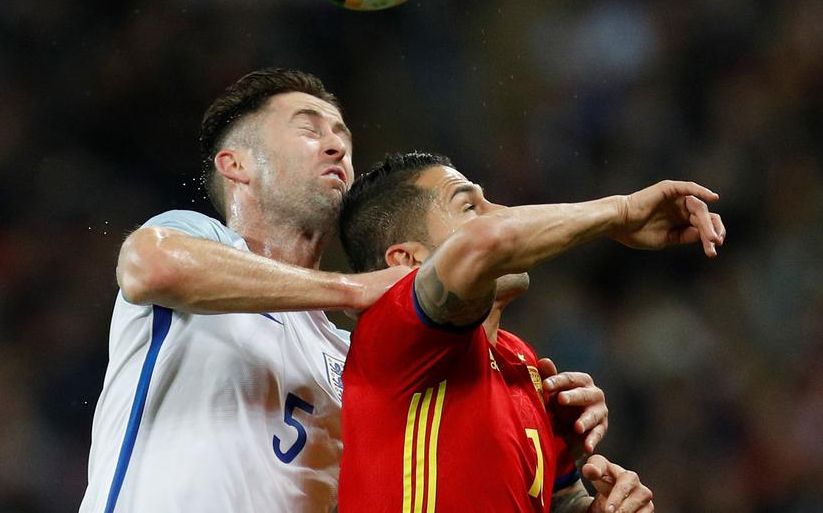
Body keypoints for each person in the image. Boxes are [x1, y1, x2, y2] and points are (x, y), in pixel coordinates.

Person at [80, 69, 408, 512]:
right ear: (236, 165)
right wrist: (350, 288)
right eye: (309, 130)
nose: (338, 147)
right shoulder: (198, 239)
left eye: (342, 135)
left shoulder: (348, 353)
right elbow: (149, 266)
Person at [336, 152, 727, 513]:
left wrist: (599, 508)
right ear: (408, 261)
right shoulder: (394, 330)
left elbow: (554, 501)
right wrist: (621, 212)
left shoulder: (521, 360)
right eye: (470, 206)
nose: (502, 213)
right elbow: (487, 242)